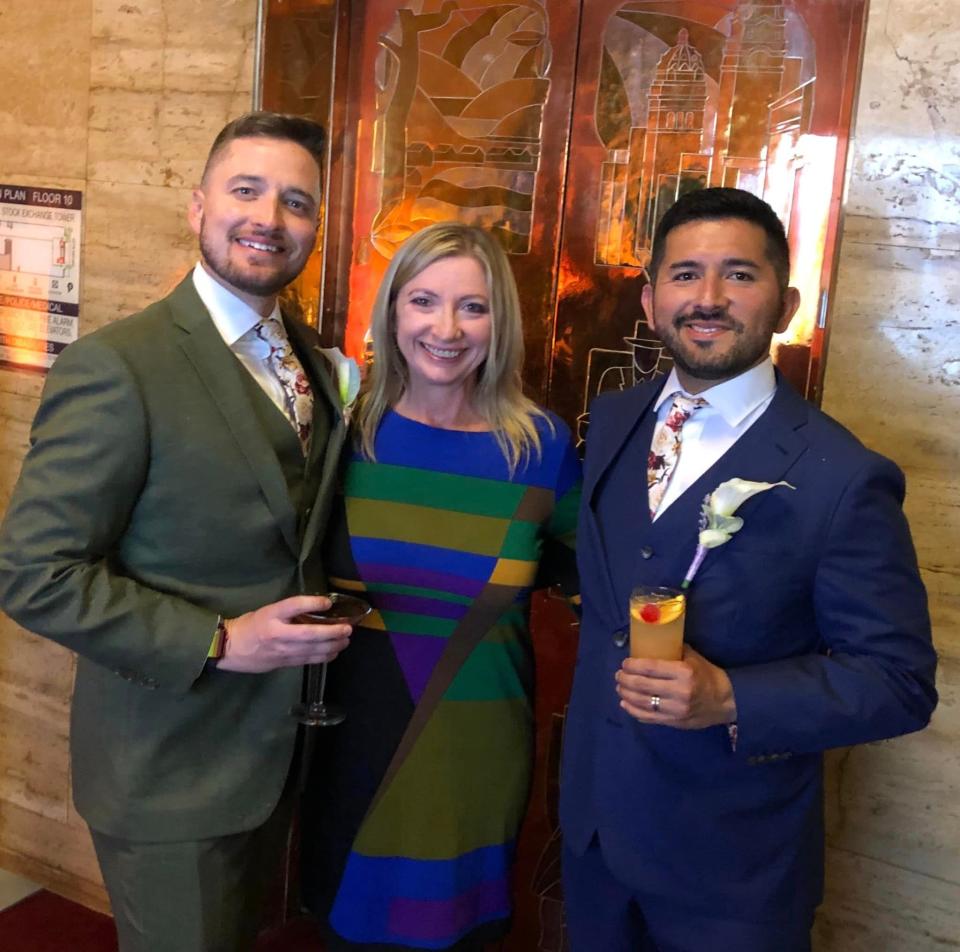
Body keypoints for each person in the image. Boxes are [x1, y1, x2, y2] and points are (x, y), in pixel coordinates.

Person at [0, 112, 356, 952]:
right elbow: (32, 572)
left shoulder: (315, 362)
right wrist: (218, 640)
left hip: (279, 761)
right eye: (246, 190)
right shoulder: (119, 366)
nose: (269, 217)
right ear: (197, 206)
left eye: (296, 201)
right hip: (166, 766)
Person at [559, 187, 938, 952]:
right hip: (594, 839)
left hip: (733, 873)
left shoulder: (841, 476)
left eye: (738, 275)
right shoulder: (614, 419)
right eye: (685, 274)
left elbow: (899, 682)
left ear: (785, 300)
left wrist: (733, 696)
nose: (707, 298)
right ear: (650, 296)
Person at [299, 222, 581, 951]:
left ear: (501, 323)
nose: (446, 329)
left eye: (474, 308)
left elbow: (606, 584)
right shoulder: (343, 432)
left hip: (479, 750)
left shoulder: (543, 448)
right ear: (392, 313)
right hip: (354, 742)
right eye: (423, 301)